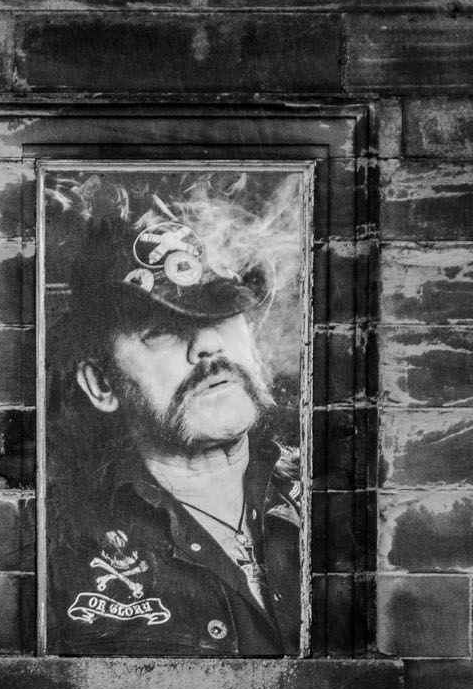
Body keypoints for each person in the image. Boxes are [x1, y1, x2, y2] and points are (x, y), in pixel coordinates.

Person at [44, 187, 303, 656]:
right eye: (162, 331)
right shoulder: (55, 544)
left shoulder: (330, 497)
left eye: (223, 315)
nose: (207, 346)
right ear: (102, 384)